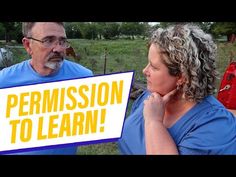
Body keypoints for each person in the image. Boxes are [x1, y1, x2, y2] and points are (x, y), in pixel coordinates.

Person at [118, 23, 236, 155]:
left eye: (154, 67)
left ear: (182, 76)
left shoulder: (216, 126)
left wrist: (153, 122)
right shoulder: (150, 96)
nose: (144, 70)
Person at [0, 22, 93, 155]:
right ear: (28, 45)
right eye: (48, 40)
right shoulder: (4, 81)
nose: (59, 49)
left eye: (62, 41)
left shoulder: (83, 78)